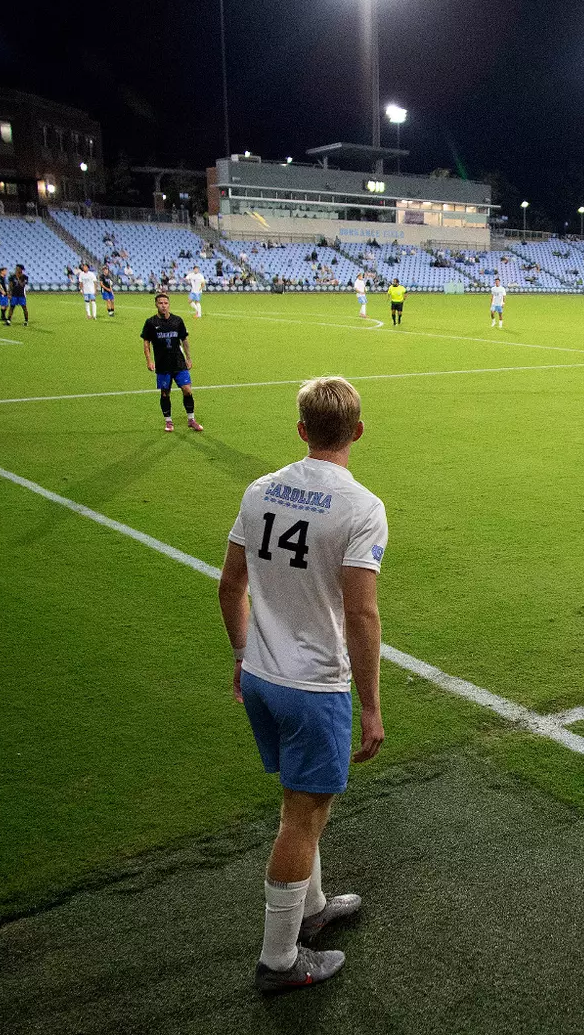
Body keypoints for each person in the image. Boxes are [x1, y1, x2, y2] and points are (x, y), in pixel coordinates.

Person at [217, 376, 385, 994]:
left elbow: (229, 586)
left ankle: (311, 910)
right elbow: (362, 615)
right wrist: (370, 705)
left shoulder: (260, 490)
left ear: (301, 429)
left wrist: (241, 653)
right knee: (302, 819)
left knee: (300, 807)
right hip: (314, 688)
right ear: (358, 432)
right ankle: (279, 961)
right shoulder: (360, 507)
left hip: (261, 677)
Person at [141, 293, 201, 433]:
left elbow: (184, 340)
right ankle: (168, 421)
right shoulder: (151, 323)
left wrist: (188, 358)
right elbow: (146, 342)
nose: (163, 305)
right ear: (156, 304)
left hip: (179, 363)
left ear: (169, 304)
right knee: (165, 394)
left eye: (166, 303)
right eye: (160, 303)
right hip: (162, 364)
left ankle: (191, 419)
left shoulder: (177, 321)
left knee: (187, 390)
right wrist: (149, 360)